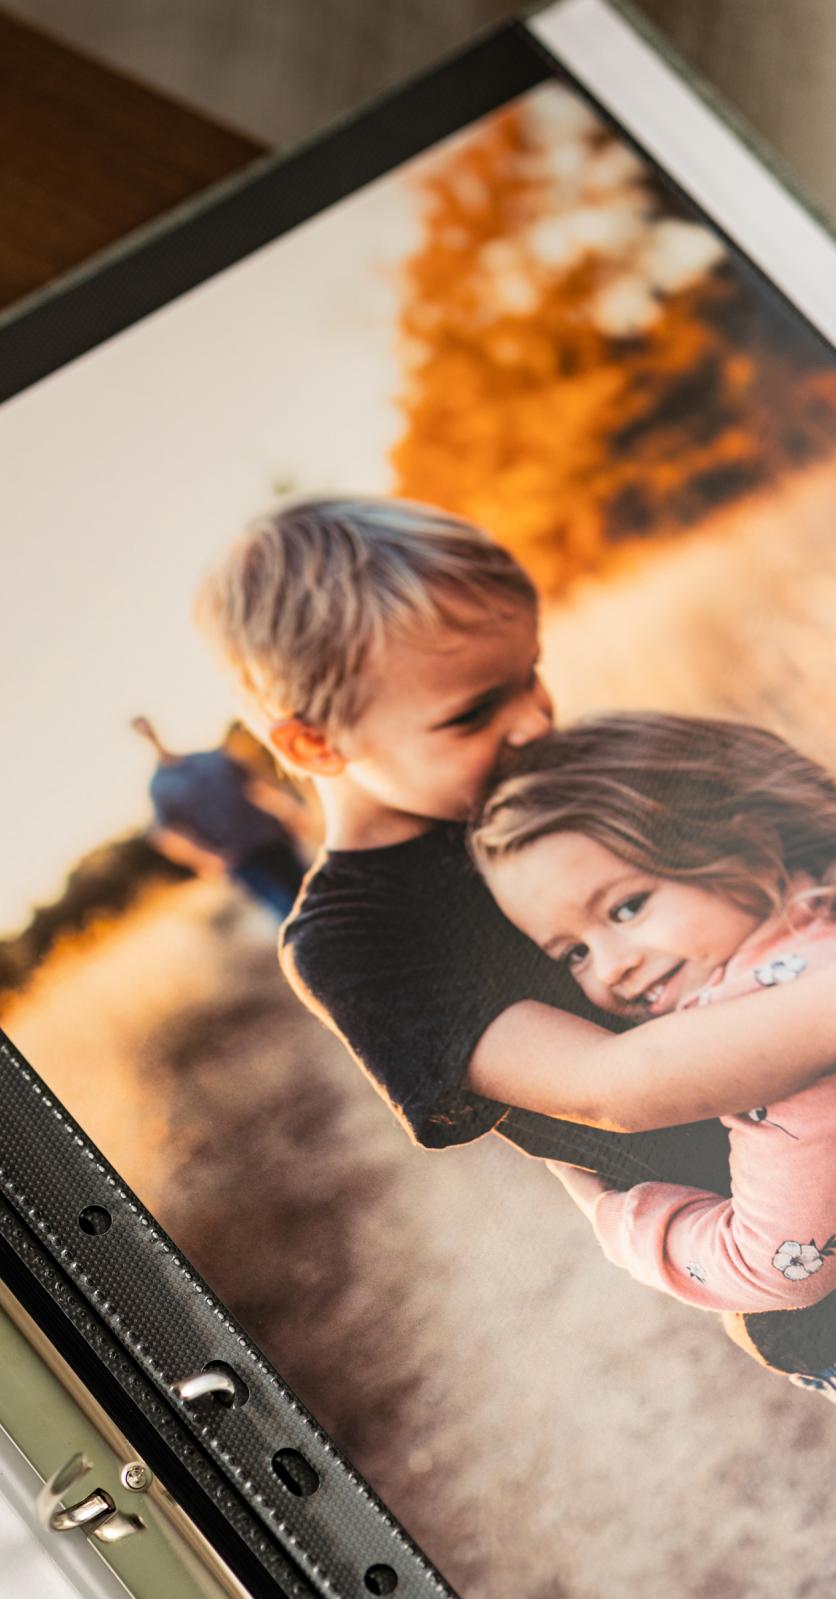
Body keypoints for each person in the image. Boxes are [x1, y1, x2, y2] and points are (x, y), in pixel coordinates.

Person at [195, 495, 836, 1378]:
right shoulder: (357, 939)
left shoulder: (559, 784)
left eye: (531, 674)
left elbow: (795, 835)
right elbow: (615, 1087)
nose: (534, 719)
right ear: (313, 745)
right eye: (473, 713)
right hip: (803, 1261)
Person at [469, 712, 836, 1339]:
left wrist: (611, 1217)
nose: (612, 967)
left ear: (739, 836)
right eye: (574, 952)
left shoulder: (758, 1037)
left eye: (627, 907)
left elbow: (777, 1266)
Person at [129, 714, 310, 921]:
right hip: (240, 858)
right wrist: (206, 859)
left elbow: (256, 786)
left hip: (270, 836)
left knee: (310, 890)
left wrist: (289, 812)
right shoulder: (160, 788)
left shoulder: (211, 759)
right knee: (288, 910)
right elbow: (167, 835)